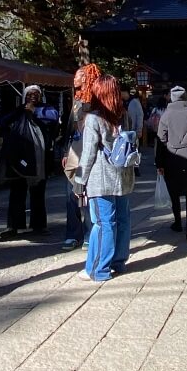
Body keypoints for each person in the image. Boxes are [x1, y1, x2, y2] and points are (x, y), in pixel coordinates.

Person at [73, 75, 136, 282]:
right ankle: (118, 262)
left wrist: (79, 181)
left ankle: (99, 269)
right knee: (123, 220)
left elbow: (88, 153)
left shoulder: (94, 118)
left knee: (103, 223)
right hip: (123, 175)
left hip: (101, 178)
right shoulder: (123, 115)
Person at [0, 85, 52, 239]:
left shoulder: (46, 109)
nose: (33, 96)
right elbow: (4, 122)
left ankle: (39, 225)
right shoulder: (19, 110)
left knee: (38, 192)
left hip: (40, 158)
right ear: (25, 96)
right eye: (29, 94)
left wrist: (35, 112)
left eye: (36, 94)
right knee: (17, 192)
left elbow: (52, 119)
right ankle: (14, 226)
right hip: (20, 158)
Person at [156, 86, 187, 241]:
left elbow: (160, 140)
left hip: (171, 158)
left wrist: (159, 163)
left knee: (174, 192)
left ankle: (178, 222)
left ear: (172, 98)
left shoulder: (166, 115)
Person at [58, 64, 99, 251]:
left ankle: (90, 233)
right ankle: (73, 234)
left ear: (86, 78)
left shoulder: (96, 100)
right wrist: (65, 151)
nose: (74, 79)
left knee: (89, 194)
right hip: (74, 151)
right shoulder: (76, 100)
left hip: (90, 151)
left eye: (77, 76)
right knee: (71, 194)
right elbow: (69, 129)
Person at [125, 88, 144, 178]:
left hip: (133, 130)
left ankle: (136, 167)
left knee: (135, 149)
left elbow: (140, 115)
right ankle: (130, 167)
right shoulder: (124, 102)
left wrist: (139, 129)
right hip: (126, 131)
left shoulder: (134, 102)